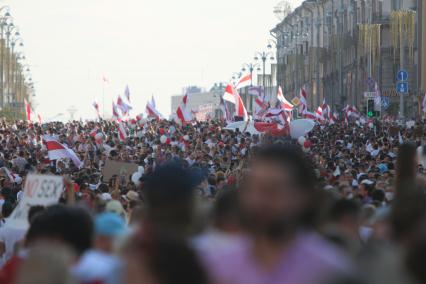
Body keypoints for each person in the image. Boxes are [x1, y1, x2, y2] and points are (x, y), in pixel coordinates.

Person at [203, 144, 352, 284]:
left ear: (303, 196)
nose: (259, 200)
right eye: (252, 189)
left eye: (272, 190)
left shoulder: (330, 271)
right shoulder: (217, 265)